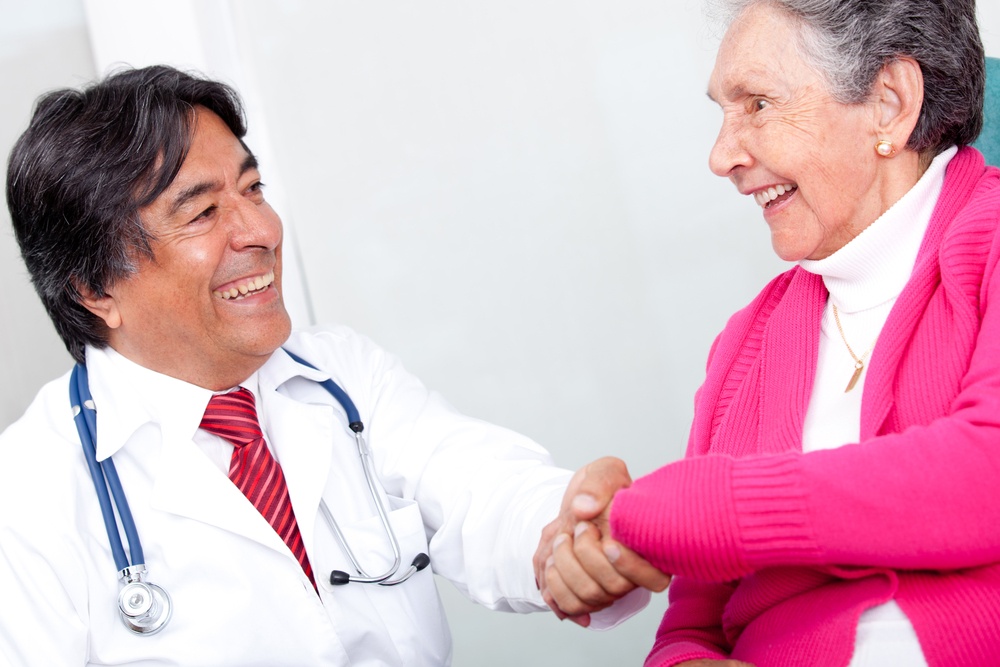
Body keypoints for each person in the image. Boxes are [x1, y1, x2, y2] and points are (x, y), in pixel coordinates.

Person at [0, 65, 666, 666]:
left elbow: (479, 486)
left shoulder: (342, 373)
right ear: (95, 287)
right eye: (203, 212)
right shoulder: (27, 498)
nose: (259, 229)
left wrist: (569, 532)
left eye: (252, 188)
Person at [539, 0, 1000, 665]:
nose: (721, 156)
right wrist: (614, 541)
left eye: (757, 103)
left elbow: (984, 474)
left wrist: (689, 511)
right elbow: (689, 630)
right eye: (722, 113)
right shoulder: (743, 346)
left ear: (891, 105)